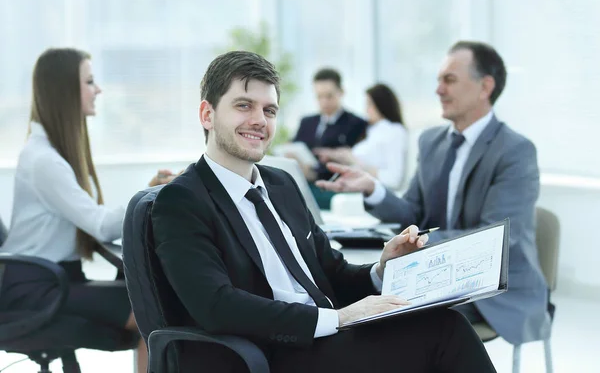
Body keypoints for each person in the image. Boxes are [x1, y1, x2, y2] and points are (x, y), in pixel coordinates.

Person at [150, 50, 496, 372]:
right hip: (274, 353)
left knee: (444, 322)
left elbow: (330, 272)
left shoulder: (282, 185)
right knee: (443, 335)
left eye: (269, 110)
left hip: (328, 338)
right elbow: (216, 305)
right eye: (244, 106)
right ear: (207, 114)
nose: (259, 120)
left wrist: (380, 269)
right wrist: (339, 319)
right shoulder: (181, 201)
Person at [317, 41, 552, 346]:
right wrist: (373, 189)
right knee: (356, 306)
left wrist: (422, 244)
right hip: (436, 275)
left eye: (449, 80)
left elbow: (496, 238)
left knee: (403, 326)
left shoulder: (515, 151)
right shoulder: (431, 142)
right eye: (438, 80)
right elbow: (412, 214)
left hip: (494, 290)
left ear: (485, 87)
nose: (438, 90)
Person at [0, 48, 174, 373]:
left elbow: (91, 219)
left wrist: (150, 190)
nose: (98, 89)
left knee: (153, 302)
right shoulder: (44, 161)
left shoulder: (50, 154)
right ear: (65, 89)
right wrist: (152, 193)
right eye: (90, 81)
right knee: (156, 310)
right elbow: (102, 226)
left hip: (50, 280)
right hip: (36, 290)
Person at [291, 68, 368, 208]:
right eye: (319, 97)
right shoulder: (307, 122)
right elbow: (295, 146)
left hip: (334, 186)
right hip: (303, 182)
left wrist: (316, 170)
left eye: (329, 96)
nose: (324, 102)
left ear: (341, 92)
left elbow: (356, 159)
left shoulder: (356, 123)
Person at [314, 83, 407, 190]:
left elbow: (393, 179)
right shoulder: (372, 131)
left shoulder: (394, 131)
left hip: (364, 191)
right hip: (349, 184)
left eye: (369, 104)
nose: (366, 109)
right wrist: (340, 155)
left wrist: (353, 160)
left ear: (381, 105)